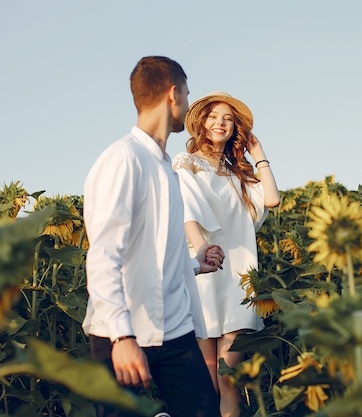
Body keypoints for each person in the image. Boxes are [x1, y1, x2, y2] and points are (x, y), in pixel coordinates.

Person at [82, 56, 225, 417]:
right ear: (172, 94)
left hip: (174, 331)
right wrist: (122, 337)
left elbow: (157, 252)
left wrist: (196, 265)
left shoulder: (166, 167)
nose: (189, 104)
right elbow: (103, 256)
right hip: (124, 333)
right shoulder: (122, 160)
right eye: (188, 95)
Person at [172, 92, 280, 417]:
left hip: (238, 279)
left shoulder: (239, 175)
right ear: (202, 123)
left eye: (228, 119)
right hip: (206, 272)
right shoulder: (185, 162)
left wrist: (259, 153)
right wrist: (202, 250)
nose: (220, 123)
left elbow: (271, 198)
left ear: (235, 129)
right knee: (206, 377)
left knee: (229, 376)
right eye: (214, 116)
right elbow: (185, 210)